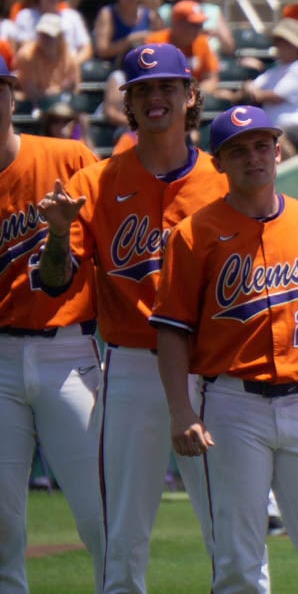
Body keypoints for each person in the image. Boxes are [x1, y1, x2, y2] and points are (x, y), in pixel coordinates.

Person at [34, 43, 229, 593]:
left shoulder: (222, 180)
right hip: (128, 368)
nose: (155, 98)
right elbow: (54, 281)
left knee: (231, 532)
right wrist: (55, 233)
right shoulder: (95, 182)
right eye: (142, 89)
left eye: (166, 86)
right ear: (129, 103)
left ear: (190, 95)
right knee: (120, 538)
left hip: (209, 366)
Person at [150, 105, 298, 592]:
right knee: (239, 562)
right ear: (218, 163)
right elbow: (171, 331)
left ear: (279, 150)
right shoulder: (192, 235)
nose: (253, 157)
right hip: (229, 405)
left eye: (262, 145)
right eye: (237, 150)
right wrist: (181, 411)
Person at [0, 55, 103, 593]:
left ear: (13, 96)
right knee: (1, 524)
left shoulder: (67, 157)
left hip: (69, 350)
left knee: (101, 512)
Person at [241, 18, 298, 158]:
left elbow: (275, 97)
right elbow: (246, 90)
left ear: (295, 46)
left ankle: (292, 174)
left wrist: (252, 91)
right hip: (274, 128)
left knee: (275, 137)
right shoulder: (274, 71)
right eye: (278, 41)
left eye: (284, 41)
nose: (279, 45)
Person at [12, 0, 92, 61]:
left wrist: (72, 65)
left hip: (69, 65)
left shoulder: (72, 16)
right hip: (37, 66)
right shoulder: (26, 15)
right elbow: (25, 48)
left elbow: (86, 49)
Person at [145, 0, 218, 95]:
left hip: (194, 95)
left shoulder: (202, 42)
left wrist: (194, 94)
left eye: (200, 25)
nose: (198, 29)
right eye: (193, 25)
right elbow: (150, 79)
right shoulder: (155, 42)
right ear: (177, 24)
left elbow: (211, 78)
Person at [158, 0, 235, 57]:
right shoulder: (165, 11)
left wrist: (215, 34)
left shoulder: (213, 11)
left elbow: (229, 48)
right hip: (173, 57)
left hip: (210, 57)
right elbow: (159, 40)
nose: (193, 0)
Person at [93, 0, 162, 63]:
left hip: (146, 64)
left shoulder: (151, 15)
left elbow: (163, 44)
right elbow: (102, 50)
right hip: (115, 66)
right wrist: (129, 41)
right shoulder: (108, 14)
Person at [14, 13, 79, 103]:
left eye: (49, 36)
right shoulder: (27, 56)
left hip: (62, 105)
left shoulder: (70, 58)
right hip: (31, 105)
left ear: (60, 37)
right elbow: (31, 93)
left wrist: (57, 92)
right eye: (42, 34)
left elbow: (75, 90)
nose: (45, 39)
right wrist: (60, 90)